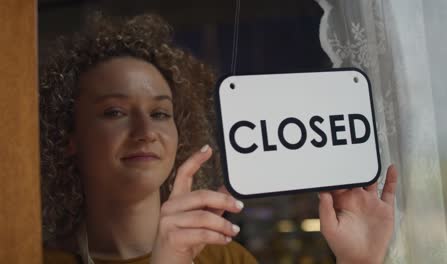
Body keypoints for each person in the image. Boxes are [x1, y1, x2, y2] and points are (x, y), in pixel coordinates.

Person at [40, 13, 398, 264]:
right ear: (67, 136)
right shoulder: (28, 258)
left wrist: (358, 260)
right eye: (115, 112)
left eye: (161, 113)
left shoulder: (227, 259)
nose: (145, 132)